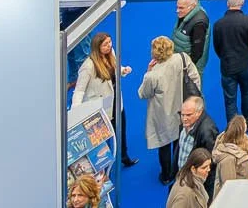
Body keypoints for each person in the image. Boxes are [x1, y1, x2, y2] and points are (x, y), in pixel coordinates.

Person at [139, 36, 197, 185]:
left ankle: (166, 176)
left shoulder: (153, 75)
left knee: (164, 144)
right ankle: (179, 171)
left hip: (162, 114)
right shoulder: (182, 58)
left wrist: (148, 72)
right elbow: (195, 77)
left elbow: (143, 94)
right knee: (179, 141)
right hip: (182, 107)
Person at [74, 31, 135, 170]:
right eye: (105, 44)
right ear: (97, 47)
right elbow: (79, 90)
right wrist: (76, 112)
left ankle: (124, 156)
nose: (109, 46)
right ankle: (102, 167)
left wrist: (123, 70)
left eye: (110, 42)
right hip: (100, 107)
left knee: (120, 130)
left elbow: (114, 67)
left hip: (115, 102)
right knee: (100, 139)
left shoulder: (110, 54)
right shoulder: (88, 66)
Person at [211, 0, 248, 126]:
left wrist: (224, 57)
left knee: (230, 99)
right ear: (242, 3)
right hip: (246, 65)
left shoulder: (218, 24)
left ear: (228, 3)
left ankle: (233, 127)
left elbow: (217, 46)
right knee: (247, 93)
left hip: (227, 66)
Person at [211, 116, 248, 195]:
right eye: (245, 123)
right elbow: (229, 189)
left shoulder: (243, 144)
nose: (246, 125)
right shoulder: (228, 159)